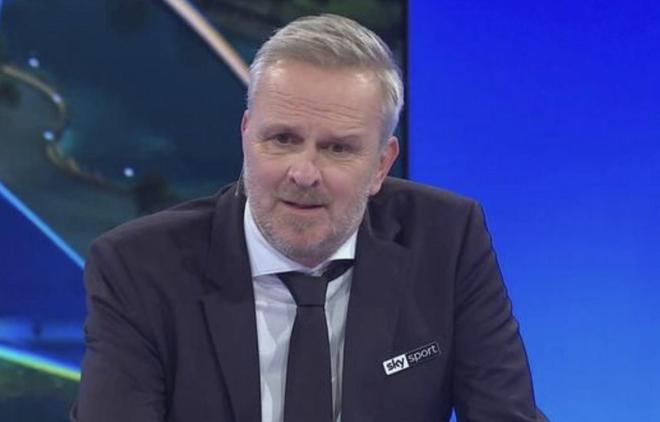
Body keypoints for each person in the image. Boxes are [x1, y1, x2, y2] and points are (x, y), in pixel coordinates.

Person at [72, 14, 546, 422]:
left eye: (338, 148)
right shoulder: (139, 268)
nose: (303, 173)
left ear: (381, 165)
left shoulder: (447, 240)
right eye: (282, 139)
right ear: (246, 137)